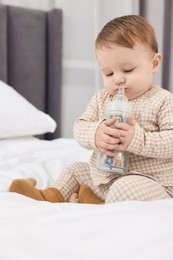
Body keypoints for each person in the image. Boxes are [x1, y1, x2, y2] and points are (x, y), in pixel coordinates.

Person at [9, 15, 173, 203]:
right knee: (74, 170)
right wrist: (96, 133)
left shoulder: (163, 100)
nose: (118, 79)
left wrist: (137, 139)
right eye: (109, 73)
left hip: (151, 182)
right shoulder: (101, 98)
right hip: (105, 178)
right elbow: (80, 126)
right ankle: (49, 195)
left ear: (154, 63)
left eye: (127, 70)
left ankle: (95, 201)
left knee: (125, 189)